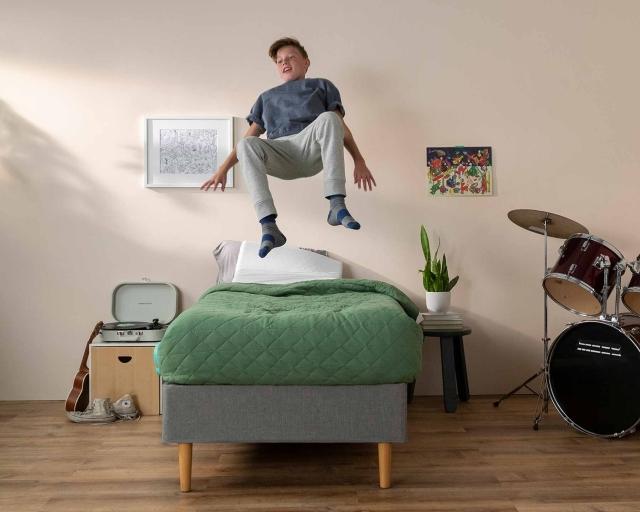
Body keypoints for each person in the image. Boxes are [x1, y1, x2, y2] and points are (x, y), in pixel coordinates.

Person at [201, 37, 376, 257]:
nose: (285, 62)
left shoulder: (322, 86)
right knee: (246, 143)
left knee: (331, 117)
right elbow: (247, 139)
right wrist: (222, 169)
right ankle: (269, 227)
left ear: (306, 62)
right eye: (279, 60)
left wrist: (359, 160)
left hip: (311, 147)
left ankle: (336, 206)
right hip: (281, 154)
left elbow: (340, 126)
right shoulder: (266, 98)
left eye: (291, 57)